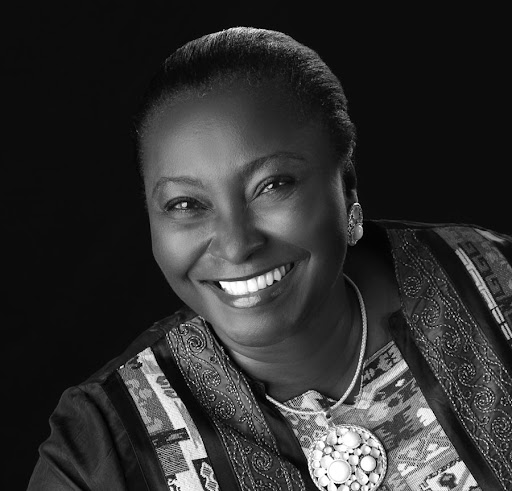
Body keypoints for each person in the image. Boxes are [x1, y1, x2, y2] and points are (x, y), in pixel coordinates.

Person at [28, 27, 512, 491]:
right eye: (186, 204)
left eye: (273, 186)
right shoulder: (102, 448)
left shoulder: (494, 281)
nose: (235, 245)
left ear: (347, 186)